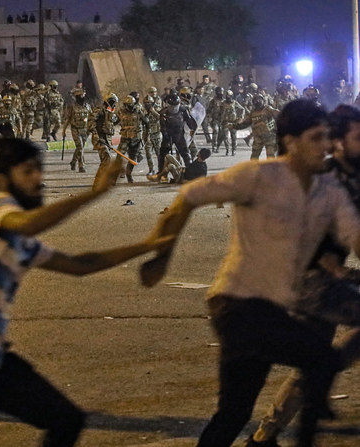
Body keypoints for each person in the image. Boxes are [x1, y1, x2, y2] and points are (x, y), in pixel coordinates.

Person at [0, 139, 172, 447]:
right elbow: (27, 224)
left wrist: (149, 245)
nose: (38, 178)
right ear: (0, 177)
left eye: (39, 169)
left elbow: (81, 264)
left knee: (67, 420)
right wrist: (96, 193)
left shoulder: (20, 241)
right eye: (27, 171)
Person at [140, 99, 360, 447]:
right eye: (317, 138)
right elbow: (188, 195)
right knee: (322, 361)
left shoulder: (329, 191)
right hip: (236, 305)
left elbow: (355, 234)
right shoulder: (257, 176)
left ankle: (262, 437)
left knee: (234, 413)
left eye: (328, 137)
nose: (326, 146)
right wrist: (161, 257)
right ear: (291, 142)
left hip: (270, 309)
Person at [245, 104, 360, 446]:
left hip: (323, 279)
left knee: (310, 362)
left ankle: (265, 436)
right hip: (309, 280)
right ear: (337, 142)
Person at [62, 87, 92, 173]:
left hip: (85, 130)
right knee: (80, 147)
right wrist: (64, 131)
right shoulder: (72, 107)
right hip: (75, 129)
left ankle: (73, 161)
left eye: (83, 95)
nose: (83, 96)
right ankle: (81, 166)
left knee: (79, 148)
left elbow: (91, 118)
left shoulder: (88, 106)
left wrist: (92, 128)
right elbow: (68, 119)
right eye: (81, 95)